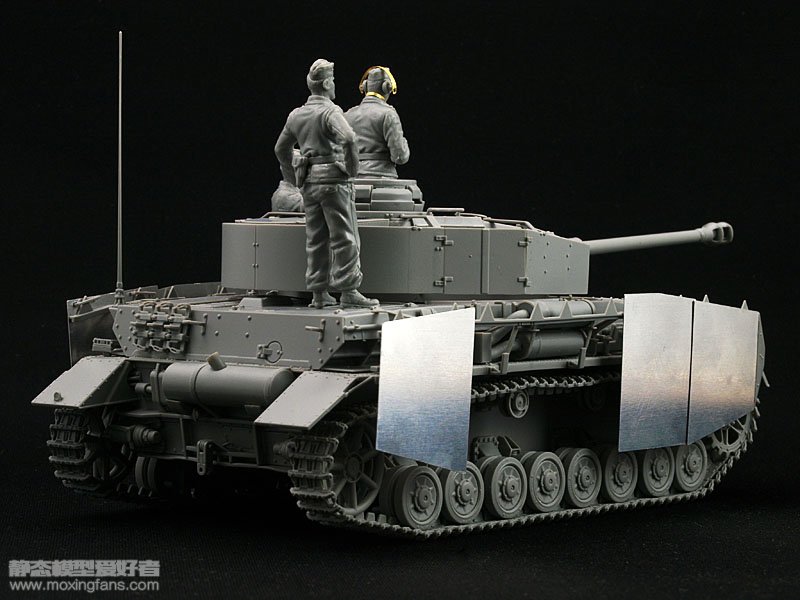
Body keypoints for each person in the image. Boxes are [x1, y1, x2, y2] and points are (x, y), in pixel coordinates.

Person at [274, 59, 379, 309]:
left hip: (309, 184)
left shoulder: (296, 115)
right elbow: (349, 138)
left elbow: (280, 149)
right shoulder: (330, 112)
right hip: (334, 181)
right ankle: (349, 290)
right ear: (327, 84)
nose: (334, 86)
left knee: (316, 240)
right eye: (333, 81)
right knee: (345, 237)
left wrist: (293, 178)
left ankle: (319, 294)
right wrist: (351, 170)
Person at [345, 66, 410, 178]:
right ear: (386, 87)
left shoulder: (348, 114)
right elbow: (400, 157)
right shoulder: (388, 114)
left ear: (365, 86)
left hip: (353, 179)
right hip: (382, 178)